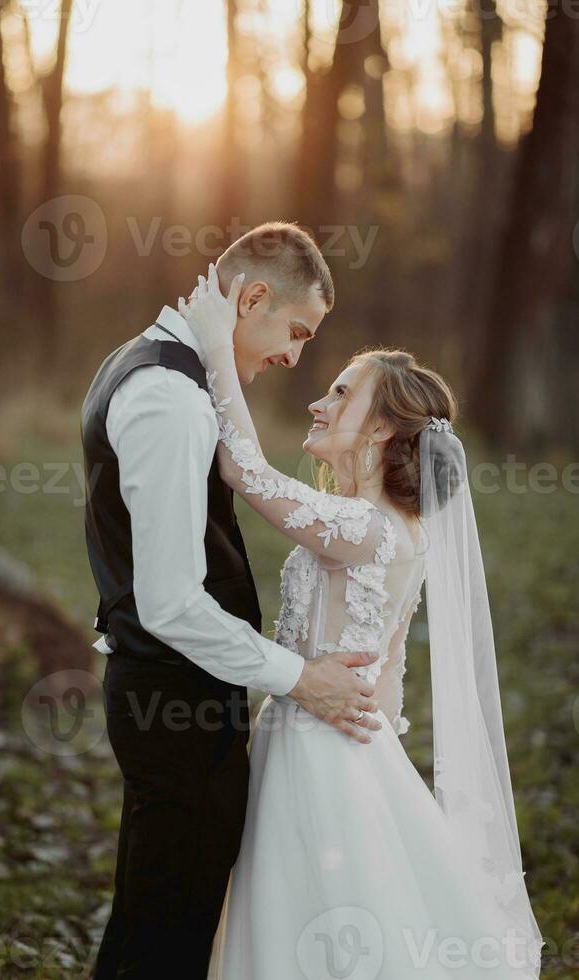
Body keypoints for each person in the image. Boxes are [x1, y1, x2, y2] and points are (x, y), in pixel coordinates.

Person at [177, 266, 544, 980]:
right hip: (335, 746)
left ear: (381, 426)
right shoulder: (392, 528)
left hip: (321, 761)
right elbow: (391, 678)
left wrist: (216, 347)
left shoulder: (367, 528)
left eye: (340, 394)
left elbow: (243, 471)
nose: (317, 403)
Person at [81, 223, 382, 980]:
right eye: (298, 331)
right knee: (166, 938)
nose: (293, 357)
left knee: (155, 916)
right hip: (173, 697)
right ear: (251, 298)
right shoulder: (170, 399)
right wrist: (302, 677)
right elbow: (173, 603)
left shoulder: (140, 364)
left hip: (173, 694)